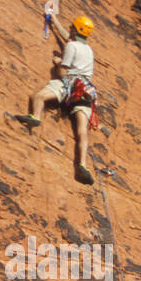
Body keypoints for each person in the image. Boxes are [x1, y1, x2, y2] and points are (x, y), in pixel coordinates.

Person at [15, 13, 98, 185]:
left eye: (71, 27)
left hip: (70, 86)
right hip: (86, 92)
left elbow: (62, 72)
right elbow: (69, 39)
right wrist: (54, 21)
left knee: (38, 96)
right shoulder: (88, 49)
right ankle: (83, 165)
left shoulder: (71, 47)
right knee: (82, 132)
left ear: (75, 30)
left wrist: (58, 62)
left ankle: (35, 117)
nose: (69, 29)